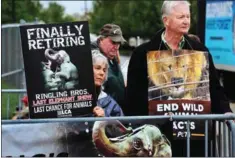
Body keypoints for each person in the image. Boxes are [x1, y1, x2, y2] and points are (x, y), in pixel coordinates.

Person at [126, 0, 233, 156]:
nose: (186, 21)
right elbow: (133, 96)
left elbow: (213, 87)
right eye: (180, 17)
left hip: (194, 137)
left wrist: (225, 111)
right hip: (158, 138)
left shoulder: (199, 51)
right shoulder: (142, 54)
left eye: (188, 17)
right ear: (166, 20)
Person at [91, 24, 126, 111]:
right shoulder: (93, 56)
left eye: (119, 43)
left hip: (116, 113)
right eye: (113, 42)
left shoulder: (110, 55)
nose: (116, 47)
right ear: (102, 39)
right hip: (104, 114)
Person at [91, 49, 124, 117]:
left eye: (104, 70)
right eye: (97, 68)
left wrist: (105, 118)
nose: (102, 73)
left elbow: (121, 126)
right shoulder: (71, 99)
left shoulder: (111, 104)